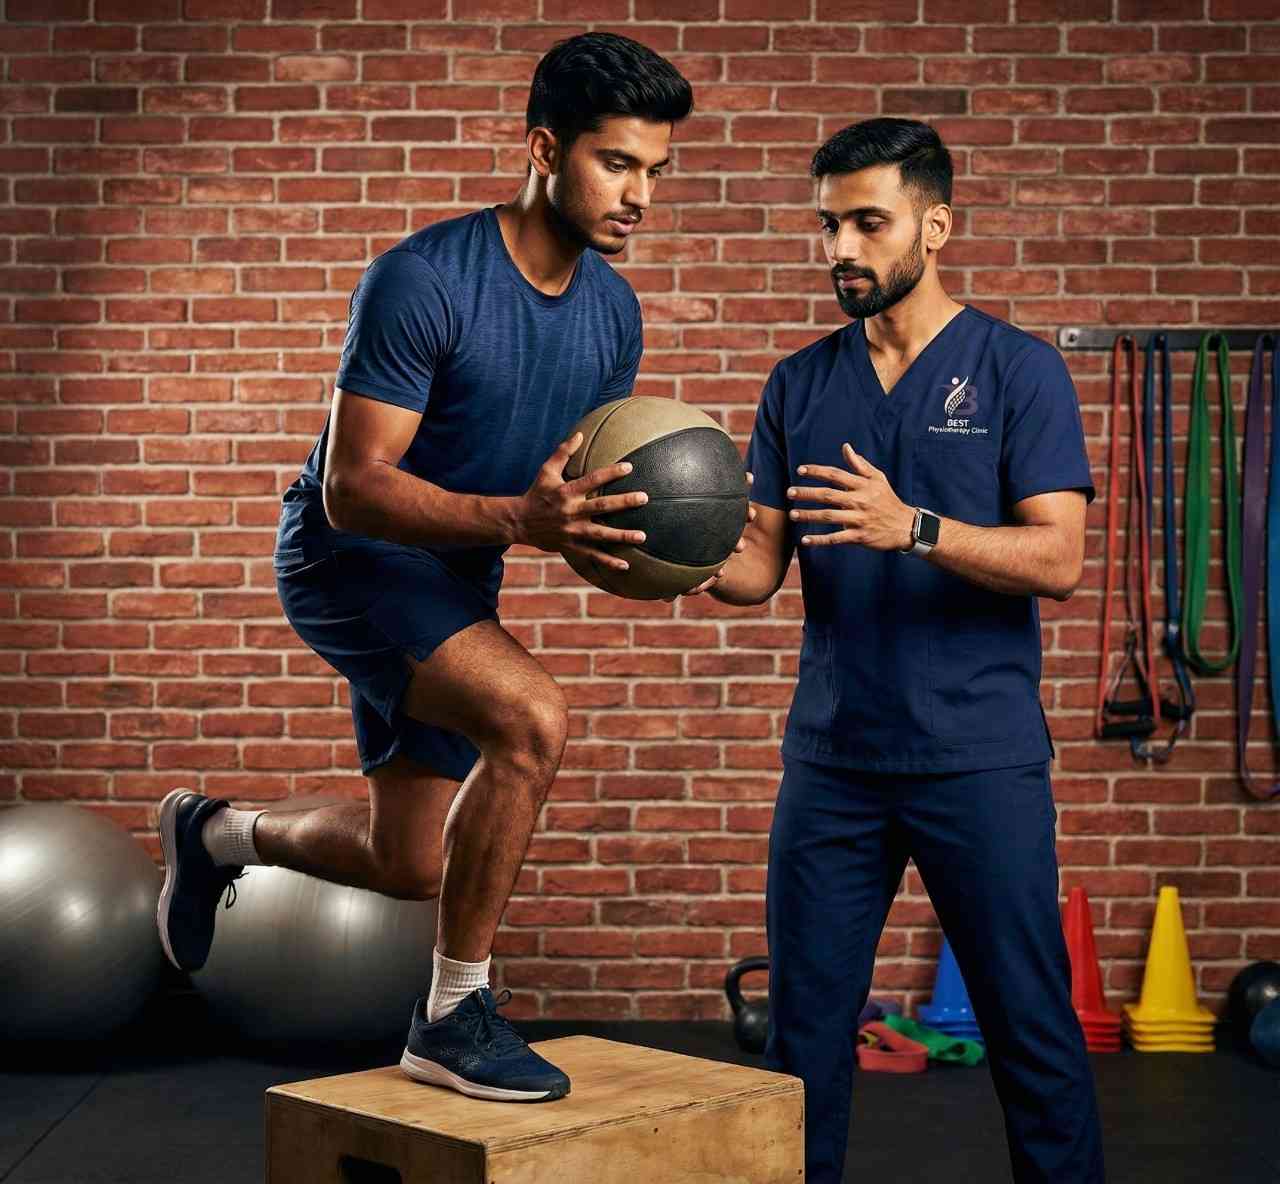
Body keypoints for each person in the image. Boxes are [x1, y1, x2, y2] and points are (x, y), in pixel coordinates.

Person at [155, 32, 700, 1104]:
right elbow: (351, 486)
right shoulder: (421, 279)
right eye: (616, 162)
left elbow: (569, 495)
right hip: (351, 560)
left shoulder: (612, 314)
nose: (639, 194)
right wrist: (524, 520)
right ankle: (452, 1012)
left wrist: (661, 549)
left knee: (413, 861)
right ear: (543, 147)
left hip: (453, 573)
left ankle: (214, 831)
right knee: (532, 715)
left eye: (654, 171)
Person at [701, 117, 1106, 1182]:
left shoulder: (1016, 371)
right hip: (832, 760)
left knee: (1030, 1028)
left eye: (865, 222)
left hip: (977, 754)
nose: (840, 246)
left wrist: (914, 525)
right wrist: (660, 547)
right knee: (800, 1042)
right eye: (827, 223)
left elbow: (1057, 557)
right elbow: (753, 568)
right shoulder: (797, 383)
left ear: (934, 225)